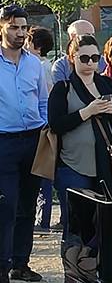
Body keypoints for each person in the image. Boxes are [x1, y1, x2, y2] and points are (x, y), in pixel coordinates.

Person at [48, 35, 112, 283]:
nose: (90, 63)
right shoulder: (63, 88)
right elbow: (56, 124)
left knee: (103, 218)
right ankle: (71, 273)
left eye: (95, 58)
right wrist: (89, 111)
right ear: (72, 58)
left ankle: (95, 268)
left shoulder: (106, 82)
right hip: (73, 164)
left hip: (106, 163)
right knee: (75, 220)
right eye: (84, 58)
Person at [0, 5, 48, 283]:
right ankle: (1, 265)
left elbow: (42, 99)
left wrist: (44, 126)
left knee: (28, 205)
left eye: (23, 28)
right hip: (3, 141)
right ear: (2, 27)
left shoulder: (33, 64)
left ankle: (21, 263)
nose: (20, 33)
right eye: (14, 28)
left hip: (33, 139)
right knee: (6, 205)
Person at [26, 26, 56, 233]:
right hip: (41, 124)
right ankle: (42, 219)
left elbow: (44, 97)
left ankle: (42, 220)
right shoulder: (46, 65)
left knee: (42, 177)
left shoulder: (38, 65)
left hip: (38, 126)